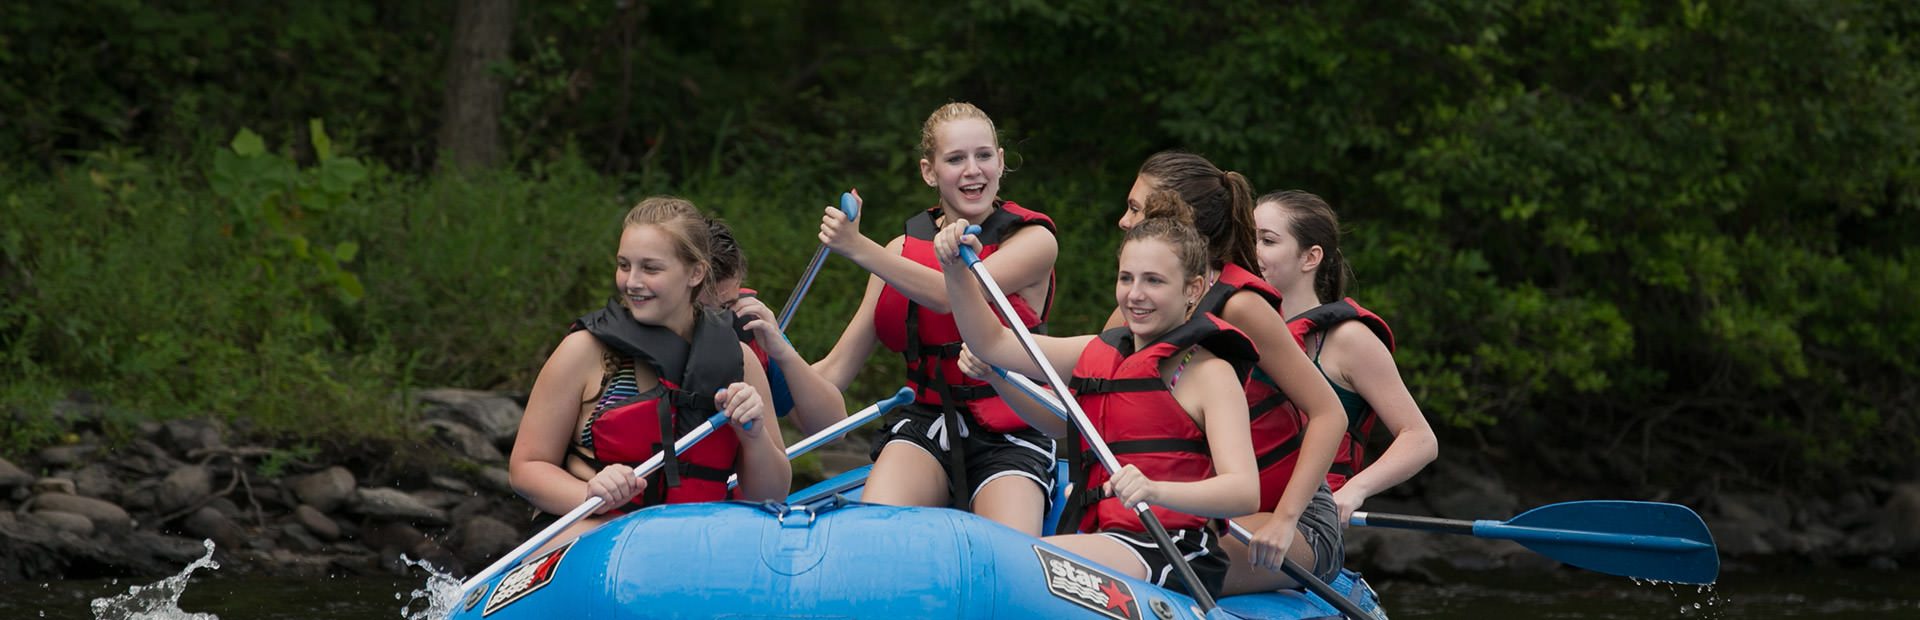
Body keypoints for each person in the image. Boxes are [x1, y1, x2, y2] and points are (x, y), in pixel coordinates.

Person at [936, 205, 1257, 599]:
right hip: (1108, 537)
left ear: (1193, 289)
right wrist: (954, 269)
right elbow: (993, 342)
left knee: (1010, 567)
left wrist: (1156, 491)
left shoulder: (1209, 373)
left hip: (1173, 551)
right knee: (995, 566)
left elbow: (1244, 491)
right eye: (1127, 278)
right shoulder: (1097, 352)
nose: (1135, 295)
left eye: (1154, 281)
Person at [811, 102, 1058, 535]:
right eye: (955, 159)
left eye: (983, 156)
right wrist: (765, 366)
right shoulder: (898, 252)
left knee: (1008, 553)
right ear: (929, 172)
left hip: (1012, 427)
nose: (972, 171)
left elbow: (952, 294)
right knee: (873, 534)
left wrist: (856, 247)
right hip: (925, 424)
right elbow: (834, 371)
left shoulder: (1034, 242)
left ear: (1001, 162)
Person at [1116, 153, 1348, 594]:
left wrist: (1285, 520)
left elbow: (1328, 413)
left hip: (1293, 519)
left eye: (1135, 209)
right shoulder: (1136, 304)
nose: (1124, 221)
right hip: (1195, 503)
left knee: (1162, 559)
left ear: (1173, 218)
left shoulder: (1240, 305)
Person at [508, 196, 791, 552]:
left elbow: (773, 494)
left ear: (695, 273)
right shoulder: (584, 351)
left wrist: (754, 436)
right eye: (624, 265)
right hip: (597, 533)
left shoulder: (741, 362)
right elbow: (526, 467)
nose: (632, 282)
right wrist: (589, 492)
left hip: (697, 545)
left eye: (650, 269)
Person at [1252, 190, 1437, 524]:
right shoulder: (1237, 331)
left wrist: (1355, 489)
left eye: (1267, 240)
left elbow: (1420, 439)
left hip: (1306, 516)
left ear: (1310, 258)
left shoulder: (1347, 339)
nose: (1252, 251)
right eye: (1247, 239)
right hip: (1242, 506)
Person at [700, 216, 849, 436]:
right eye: (704, 311)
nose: (717, 321)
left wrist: (782, 352)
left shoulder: (746, 325)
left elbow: (834, 429)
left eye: (726, 307)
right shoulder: (643, 334)